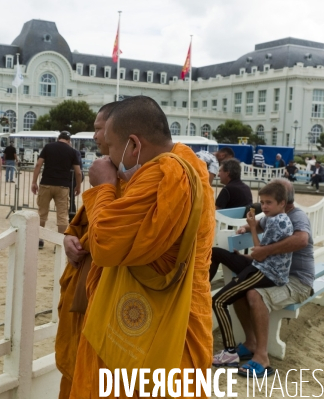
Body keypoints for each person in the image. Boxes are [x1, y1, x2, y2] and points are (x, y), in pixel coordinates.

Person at [69, 96, 215, 398]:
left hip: (161, 320)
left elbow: (106, 243)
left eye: (109, 146)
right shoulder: (181, 165)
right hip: (167, 306)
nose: (105, 154)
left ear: (133, 145)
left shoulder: (167, 174)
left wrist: (103, 187)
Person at [209, 178, 315, 376]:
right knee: (221, 257)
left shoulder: (296, 216)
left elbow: (301, 239)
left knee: (254, 293)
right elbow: (257, 226)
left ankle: (262, 357)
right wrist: (246, 228)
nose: (264, 205)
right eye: (263, 201)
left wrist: (262, 251)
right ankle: (250, 343)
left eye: (269, 200)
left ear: (284, 200)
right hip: (264, 265)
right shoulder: (272, 215)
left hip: (295, 279)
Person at [56, 101, 118, 399]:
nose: (94, 137)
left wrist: (106, 185)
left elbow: (110, 239)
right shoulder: (105, 171)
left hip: (113, 300)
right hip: (86, 285)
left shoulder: (140, 180)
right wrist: (70, 238)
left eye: (98, 129)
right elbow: (82, 224)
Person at [31, 131, 82, 249]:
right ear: (69, 140)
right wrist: (78, 186)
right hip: (63, 186)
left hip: (46, 184)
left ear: (58, 138)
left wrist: (34, 182)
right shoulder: (72, 151)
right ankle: (60, 243)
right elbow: (78, 172)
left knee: (42, 213)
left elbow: (38, 164)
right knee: (62, 216)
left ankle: (39, 239)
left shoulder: (48, 147)